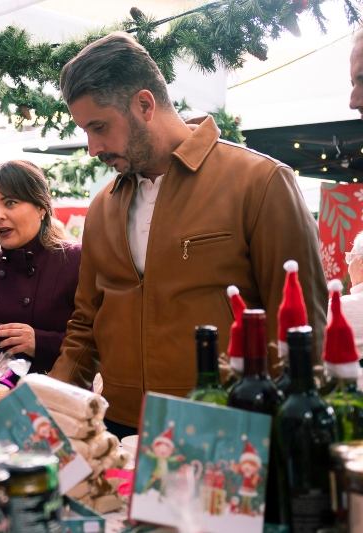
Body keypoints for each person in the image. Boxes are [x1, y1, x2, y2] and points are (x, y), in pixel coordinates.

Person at [48, 32, 327, 439]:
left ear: (144, 104)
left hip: (225, 428)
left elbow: (301, 326)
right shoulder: (103, 207)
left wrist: (288, 439)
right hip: (120, 431)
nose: (92, 147)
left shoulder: (259, 182)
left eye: (99, 127)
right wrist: (48, 402)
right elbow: (87, 324)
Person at [0, 161, 80, 374]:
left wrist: (40, 342)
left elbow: (100, 339)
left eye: (10, 202)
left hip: (53, 399)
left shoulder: (74, 260)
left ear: (41, 206)